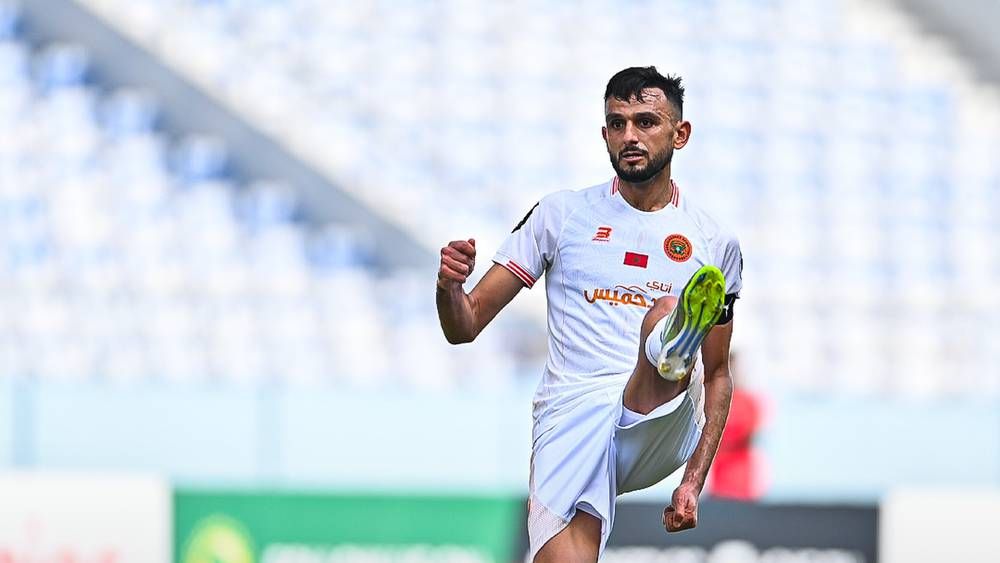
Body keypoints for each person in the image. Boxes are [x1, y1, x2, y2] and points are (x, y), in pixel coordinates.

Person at [436, 66, 743, 562]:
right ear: (604, 135)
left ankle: (672, 343)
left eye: (646, 122)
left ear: (680, 134)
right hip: (571, 418)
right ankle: (672, 340)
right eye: (617, 124)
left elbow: (720, 373)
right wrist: (449, 287)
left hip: (659, 420)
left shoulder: (713, 242)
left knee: (663, 317)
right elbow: (465, 325)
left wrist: (693, 481)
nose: (630, 136)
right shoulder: (561, 215)